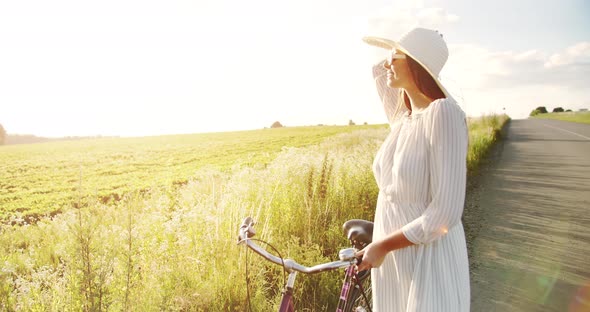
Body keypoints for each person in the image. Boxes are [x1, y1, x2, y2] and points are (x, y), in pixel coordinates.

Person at [355, 28, 470, 311]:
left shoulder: (442, 113)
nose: (386, 63)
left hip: (426, 256)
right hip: (395, 260)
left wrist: (382, 246)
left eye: (394, 57)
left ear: (417, 64)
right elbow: (378, 71)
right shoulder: (403, 120)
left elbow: (445, 214)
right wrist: (397, 50)